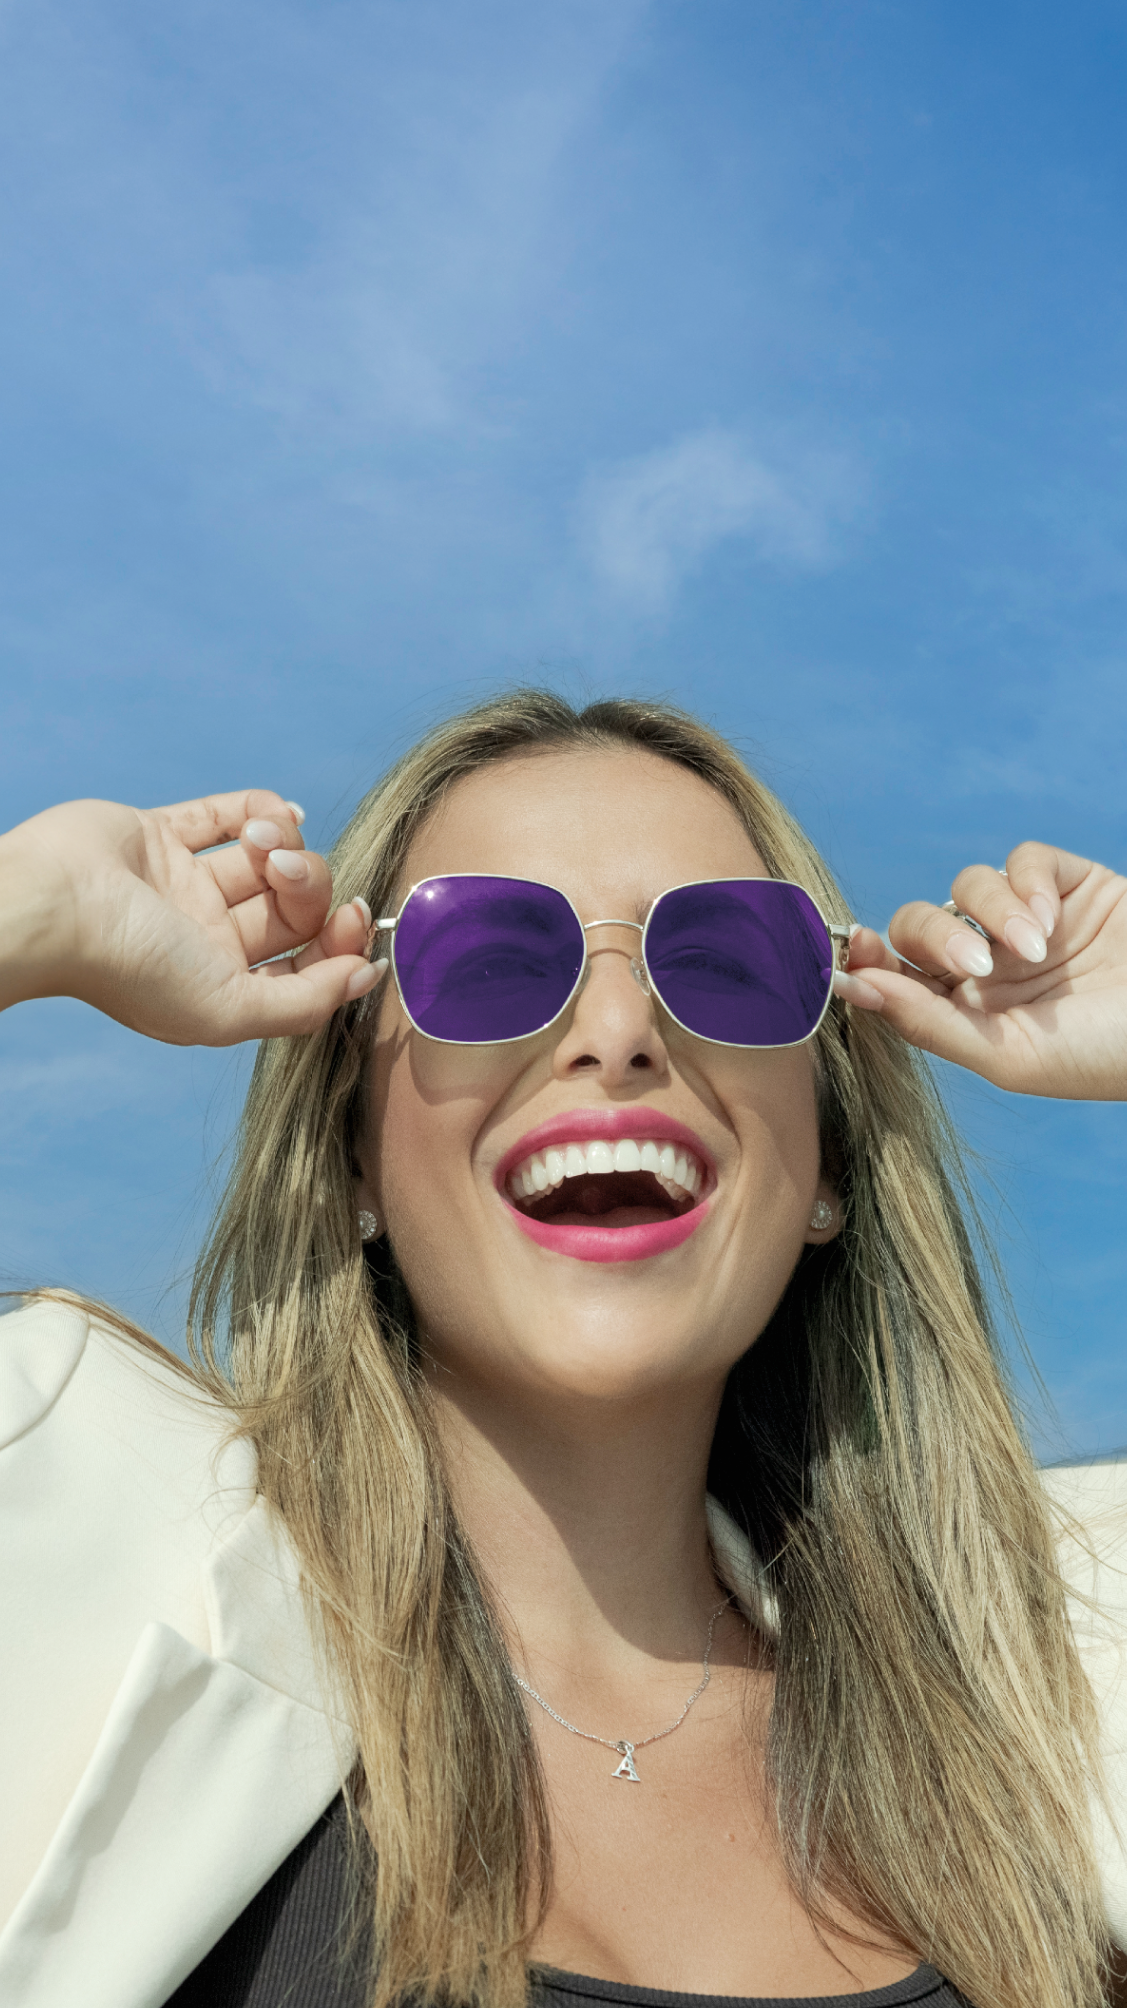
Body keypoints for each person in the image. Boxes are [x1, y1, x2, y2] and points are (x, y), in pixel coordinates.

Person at [0, 690, 1125, 2008]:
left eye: (723, 958)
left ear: (825, 1162)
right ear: (351, 1158)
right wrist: (29, 914)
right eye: (485, 957)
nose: (615, 1032)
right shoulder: (59, 1533)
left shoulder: (1064, 1684)